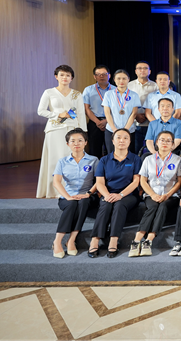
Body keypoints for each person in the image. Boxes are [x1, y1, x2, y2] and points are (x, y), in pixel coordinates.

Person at [89, 128, 142, 258]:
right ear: (112, 141)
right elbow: (99, 183)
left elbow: (136, 182)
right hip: (108, 192)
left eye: (125, 138)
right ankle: (95, 239)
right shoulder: (104, 160)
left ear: (130, 141)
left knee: (119, 204)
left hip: (129, 195)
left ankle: (113, 239)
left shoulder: (135, 159)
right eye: (118, 138)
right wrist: (107, 195)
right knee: (105, 204)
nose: (122, 140)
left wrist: (121, 195)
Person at [37, 65, 88, 199]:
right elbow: (41, 111)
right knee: (55, 159)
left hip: (72, 129)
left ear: (71, 78)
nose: (65, 78)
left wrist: (83, 133)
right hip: (54, 130)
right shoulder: (49, 92)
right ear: (56, 77)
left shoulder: (77, 94)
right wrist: (58, 114)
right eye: (62, 75)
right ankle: (54, 190)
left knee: (71, 158)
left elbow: (81, 114)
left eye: (68, 75)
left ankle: (71, 189)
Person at [130, 131, 181, 257]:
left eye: (168, 141)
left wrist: (167, 195)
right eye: (162, 140)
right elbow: (143, 180)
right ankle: (136, 240)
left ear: (172, 144)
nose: (165, 143)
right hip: (151, 194)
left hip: (170, 195)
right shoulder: (148, 159)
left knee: (163, 206)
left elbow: (180, 181)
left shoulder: (178, 160)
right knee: (152, 207)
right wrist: (153, 194)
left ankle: (149, 240)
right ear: (157, 142)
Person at [51, 128, 97, 258]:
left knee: (83, 202)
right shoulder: (62, 162)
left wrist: (88, 193)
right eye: (73, 141)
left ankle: (71, 240)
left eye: (80, 140)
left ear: (85, 142)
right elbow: (56, 182)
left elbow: (99, 181)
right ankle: (57, 241)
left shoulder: (93, 160)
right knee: (71, 204)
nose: (76, 143)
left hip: (87, 195)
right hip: (68, 195)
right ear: (68, 144)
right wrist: (68, 197)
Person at [103, 69, 140, 154]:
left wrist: (125, 130)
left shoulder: (134, 95)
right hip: (111, 130)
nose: (121, 81)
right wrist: (115, 130)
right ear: (114, 80)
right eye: (118, 78)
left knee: (128, 155)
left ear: (128, 79)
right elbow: (107, 113)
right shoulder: (108, 94)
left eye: (124, 78)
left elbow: (134, 113)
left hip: (129, 130)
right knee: (112, 155)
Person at [128, 61, 158, 155]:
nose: (142, 70)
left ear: (150, 71)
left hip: (151, 123)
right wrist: (136, 115)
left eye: (145, 68)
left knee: (151, 151)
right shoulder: (129, 85)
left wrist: (147, 115)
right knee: (135, 151)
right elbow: (125, 104)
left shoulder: (155, 86)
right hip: (133, 123)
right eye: (140, 68)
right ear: (136, 71)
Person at [83, 65, 112, 157]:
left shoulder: (115, 90)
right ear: (94, 77)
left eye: (104, 74)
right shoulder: (88, 90)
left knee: (111, 149)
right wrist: (98, 122)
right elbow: (86, 108)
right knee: (94, 150)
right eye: (98, 74)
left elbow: (118, 109)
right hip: (94, 122)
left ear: (109, 75)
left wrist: (106, 121)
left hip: (111, 122)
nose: (101, 76)